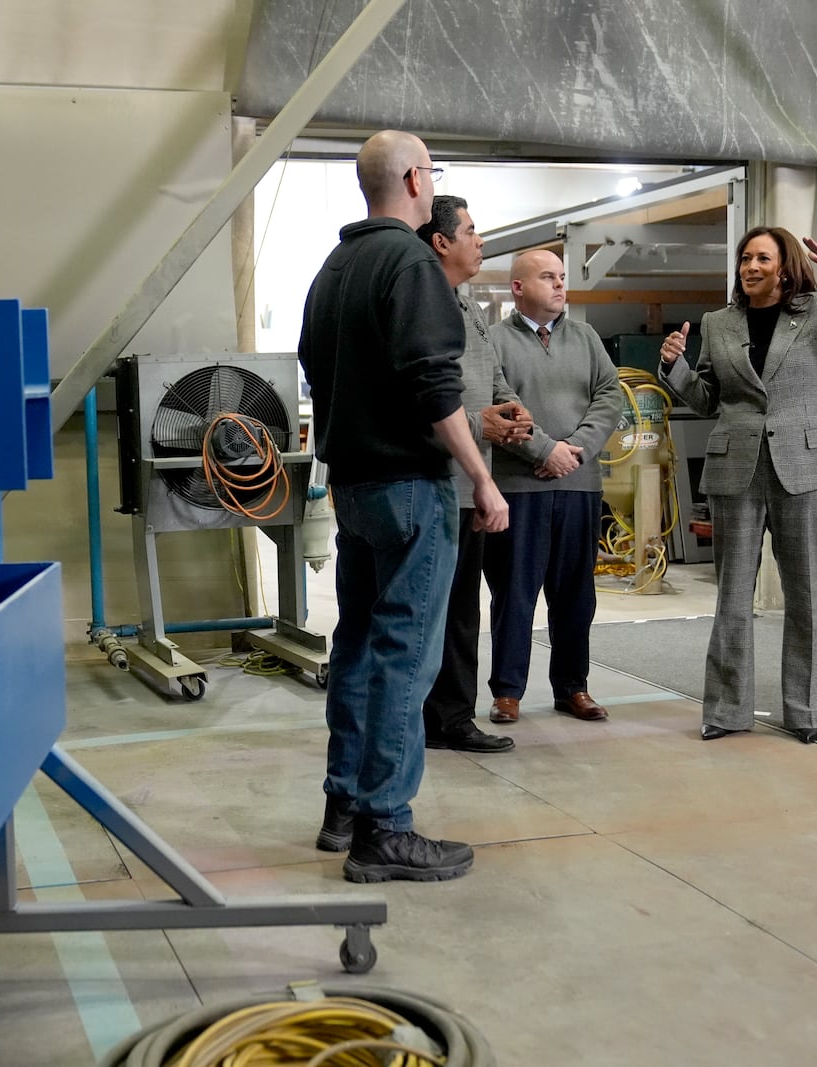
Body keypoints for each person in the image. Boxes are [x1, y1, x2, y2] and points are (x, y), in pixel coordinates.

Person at [299, 131, 509, 884]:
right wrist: (481, 476)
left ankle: (343, 805)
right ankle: (386, 825)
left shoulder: (333, 267)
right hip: (409, 489)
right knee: (404, 653)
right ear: (418, 179)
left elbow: (316, 369)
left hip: (351, 487)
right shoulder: (411, 262)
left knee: (357, 642)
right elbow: (433, 386)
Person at [659, 227, 817, 744]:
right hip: (735, 466)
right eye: (745, 258)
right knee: (732, 595)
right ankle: (726, 710)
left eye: (763, 257)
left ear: (785, 267)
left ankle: (805, 711)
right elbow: (709, 400)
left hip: (803, 466)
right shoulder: (718, 323)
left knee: (803, 593)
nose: (751, 266)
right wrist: (673, 367)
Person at [482, 250, 622, 727]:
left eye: (562, 278)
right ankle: (507, 692)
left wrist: (575, 450)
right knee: (515, 593)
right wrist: (545, 452)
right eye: (548, 277)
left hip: (580, 486)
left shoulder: (586, 338)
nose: (560, 286)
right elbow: (501, 402)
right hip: (519, 487)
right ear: (518, 287)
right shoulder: (493, 342)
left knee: (575, 594)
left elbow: (610, 396)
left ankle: (572, 687)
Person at [416, 195, 533, 754]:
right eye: (471, 231)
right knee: (433, 611)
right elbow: (425, 398)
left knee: (462, 611)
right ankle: (429, 719)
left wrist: (511, 409)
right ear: (441, 242)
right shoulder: (422, 304)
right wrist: (479, 425)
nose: (480, 241)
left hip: (472, 486)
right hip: (440, 482)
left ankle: (451, 718)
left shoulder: (466, 307)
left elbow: (493, 377)